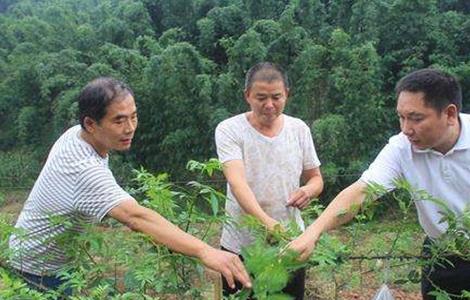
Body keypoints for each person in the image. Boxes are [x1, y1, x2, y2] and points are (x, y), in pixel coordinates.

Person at [8, 77, 251, 296]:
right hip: (36, 272)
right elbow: (135, 217)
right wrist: (205, 251)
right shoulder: (83, 168)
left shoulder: (77, 135)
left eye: (133, 116)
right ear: (90, 124)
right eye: (118, 120)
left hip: (56, 265)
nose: (130, 128)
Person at [289, 68, 470, 299]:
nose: (406, 129)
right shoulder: (402, 148)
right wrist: (312, 233)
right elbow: (362, 191)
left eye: (416, 118)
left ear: (450, 114)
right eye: (401, 117)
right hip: (441, 256)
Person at [215, 62, 324, 299]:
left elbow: (316, 178)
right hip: (240, 245)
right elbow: (237, 183)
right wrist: (267, 222)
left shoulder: (299, 129)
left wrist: (308, 190)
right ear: (247, 96)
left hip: (290, 244)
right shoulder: (229, 130)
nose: (269, 105)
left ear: (287, 94)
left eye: (276, 97)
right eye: (261, 97)